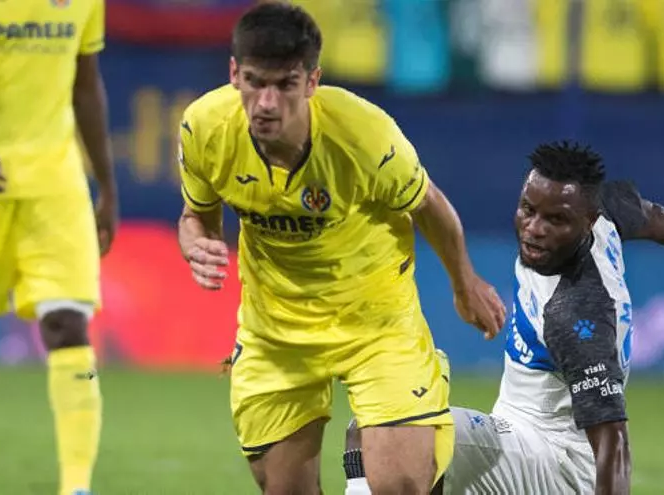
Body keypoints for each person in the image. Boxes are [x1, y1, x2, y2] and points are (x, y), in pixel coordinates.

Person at [176, 2, 506, 494]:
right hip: (276, 333)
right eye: (254, 82)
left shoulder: (363, 135)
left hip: (375, 324)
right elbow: (195, 216)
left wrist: (465, 284)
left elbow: (430, 206)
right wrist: (196, 244)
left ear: (312, 81)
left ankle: (415, 416)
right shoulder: (204, 127)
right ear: (233, 74)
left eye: (285, 84)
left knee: (400, 485)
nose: (266, 102)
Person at [342, 140, 664, 494]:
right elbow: (655, 217)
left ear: (588, 222)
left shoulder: (575, 313)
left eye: (555, 220)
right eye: (528, 209)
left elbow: (612, 439)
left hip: (556, 464)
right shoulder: (604, 210)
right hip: (515, 436)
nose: (535, 227)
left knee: (387, 431)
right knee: (397, 447)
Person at [0, 1, 117, 494]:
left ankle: (77, 487)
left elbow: (85, 84)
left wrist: (107, 187)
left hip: (56, 185)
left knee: (68, 323)